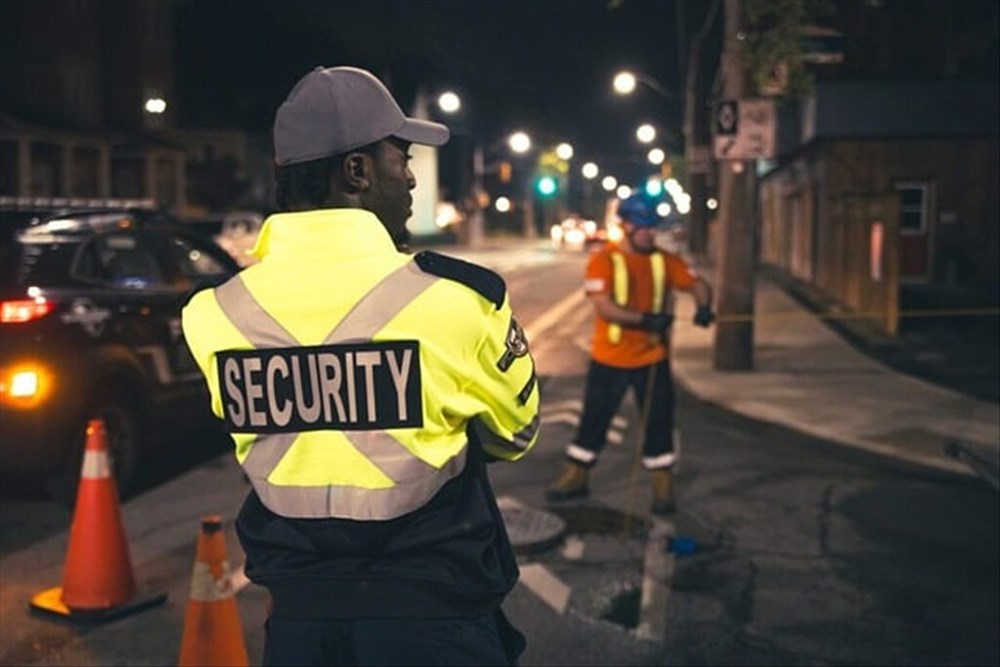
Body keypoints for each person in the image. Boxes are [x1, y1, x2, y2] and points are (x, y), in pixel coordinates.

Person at [181, 65, 539, 667]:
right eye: (401, 157)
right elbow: (517, 435)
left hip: (298, 629)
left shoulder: (213, 313)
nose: (411, 180)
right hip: (436, 623)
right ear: (357, 170)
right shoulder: (459, 299)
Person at [545, 192, 714, 515]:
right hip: (609, 359)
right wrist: (645, 319)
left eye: (653, 227)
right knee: (593, 420)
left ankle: (662, 484)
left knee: (659, 423)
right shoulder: (603, 260)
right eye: (644, 227)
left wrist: (705, 306)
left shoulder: (664, 261)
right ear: (626, 226)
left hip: (652, 359)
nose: (651, 233)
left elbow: (697, 283)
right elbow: (605, 307)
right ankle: (576, 475)